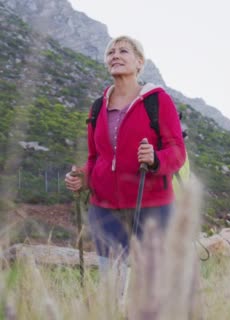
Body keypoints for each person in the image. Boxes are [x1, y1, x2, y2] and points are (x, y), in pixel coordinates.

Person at [64, 35, 186, 264]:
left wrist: (155, 159)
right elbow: (95, 158)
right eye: (111, 52)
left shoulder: (158, 101)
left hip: (151, 208)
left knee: (150, 283)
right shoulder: (98, 106)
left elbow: (177, 151)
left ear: (140, 62)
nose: (115, 55)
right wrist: (82, 176)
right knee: (111, 284)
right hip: (104, 209)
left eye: (123, 51)